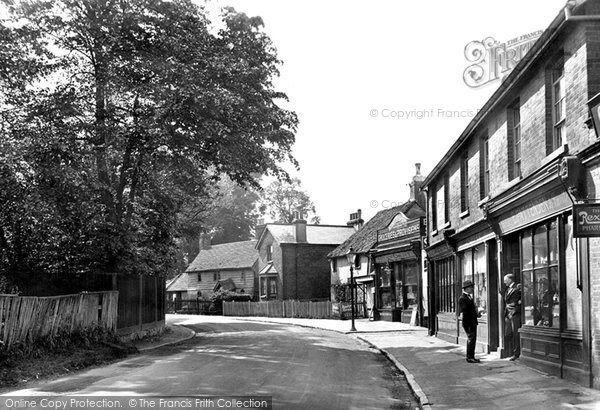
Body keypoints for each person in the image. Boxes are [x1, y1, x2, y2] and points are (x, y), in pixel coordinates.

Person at [458, 280, 481, 363]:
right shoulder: (463, 298)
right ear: (467, 289)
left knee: (472, 339)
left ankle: (471, 356)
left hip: (471, 321)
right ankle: (469, 357)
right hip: (468, 322)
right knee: (471, 339)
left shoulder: (468, 297)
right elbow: (465, 310)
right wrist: (475, 311)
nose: (472, 289)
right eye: (471, 287)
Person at [502, 273, 522, 361]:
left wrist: (514, 311)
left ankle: (516, 353)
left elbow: (518, 302)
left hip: (514, 315)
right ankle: (511, 351)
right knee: (508, 334)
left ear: (510, 280)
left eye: (505, 280)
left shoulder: (516, 288)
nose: (504, 282)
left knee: (515, 334)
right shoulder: (508, 289)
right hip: (508, 315)